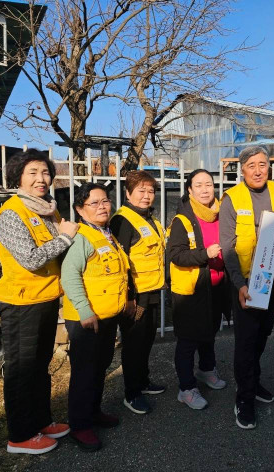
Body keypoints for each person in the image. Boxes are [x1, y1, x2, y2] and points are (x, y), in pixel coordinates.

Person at [0, 149, 78, 455]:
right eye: (33, 173)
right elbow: (30, 259)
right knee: (21, 369)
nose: (41, 179)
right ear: (18, 177)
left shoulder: (48, 210)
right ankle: (19, 435)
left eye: (45, 173)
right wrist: (65, 238)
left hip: (46, 297)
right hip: (21, 303)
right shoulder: (11, 213)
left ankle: (41, 421)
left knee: (40, 366)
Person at [219, 145, 274, 429]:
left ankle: (253, 380)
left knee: (262, 335)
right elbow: (227, 247)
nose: (258, 170)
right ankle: (244, 398)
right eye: (252, 165)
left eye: (263, 164)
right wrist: (239, 283)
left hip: (271, 280)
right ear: (242, 170)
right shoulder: (232, 198)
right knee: (246, 342)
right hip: (247, 283)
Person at [61, 183, 129, 451]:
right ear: (80, 209)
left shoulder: (106, 233)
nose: (102, 206)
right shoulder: (82, 237)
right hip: (87, 317)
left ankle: (93, 412)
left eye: (105, 201)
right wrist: (84, 310)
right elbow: (70, 275)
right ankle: (80, 426)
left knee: (100, 366)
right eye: (94, 203)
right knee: (84, 372)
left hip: (106, 314)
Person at [167, 169, 230, 410]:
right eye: (199, 185)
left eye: (209, 184)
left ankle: (206, 370)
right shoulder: (182, 220)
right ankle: (186, 388)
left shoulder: (221, 214)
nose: (205, 189)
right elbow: (176, 255)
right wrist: (205, 254)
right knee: (188, 341)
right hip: (191, 291)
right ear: (190, 190)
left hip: (216, 287)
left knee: (209, 334)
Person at [110, 171, 166, 415]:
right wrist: (130, 297)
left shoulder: (149, 219)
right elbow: (120, 263)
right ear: (128, 193)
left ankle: (143, 381)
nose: (146, 195)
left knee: (146, 339)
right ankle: (132, 393)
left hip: (152, 289)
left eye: (150, 191)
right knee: (133, 343)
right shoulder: (122, 221)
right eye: (141, 190)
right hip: (136, 294)